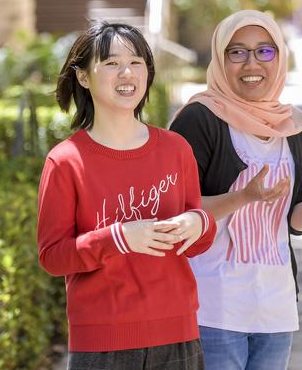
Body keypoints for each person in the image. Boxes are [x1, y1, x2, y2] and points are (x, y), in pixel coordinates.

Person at [169, 9, 302, 370]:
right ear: (220, 59)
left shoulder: (296, 126)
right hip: (213, 302)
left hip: (275, 302)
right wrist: (241, 198)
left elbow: (294, 221)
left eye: (265, 51)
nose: (252, 63)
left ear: (280, 57)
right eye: (237, 52)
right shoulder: (200, 119)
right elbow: (175, 211)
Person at [37, 22, 216, 369]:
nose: (127, 72)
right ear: (84, 77)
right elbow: (52, 257)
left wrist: (198, 222)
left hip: (178, 334)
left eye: (136, 62)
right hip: (102, 344)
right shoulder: (65, 161)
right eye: (110, 63)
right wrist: (117, 238)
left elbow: (199, 238)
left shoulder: (176, 149)